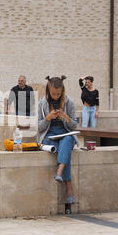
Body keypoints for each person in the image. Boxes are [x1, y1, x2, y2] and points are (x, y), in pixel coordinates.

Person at [38, 75, 78, 205]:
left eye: (58, 94)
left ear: (63, 91)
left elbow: (74, 126)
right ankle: (68, 185)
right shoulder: (42, 103)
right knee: (63, 148)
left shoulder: (69, 102)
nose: (56, 96)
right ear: (48, 91)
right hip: (49, 137)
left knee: (67, 140)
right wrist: (48, 118)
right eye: (53, 94)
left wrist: (65, 117)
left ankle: (60, 170)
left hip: (65, 134)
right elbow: (38, 128)